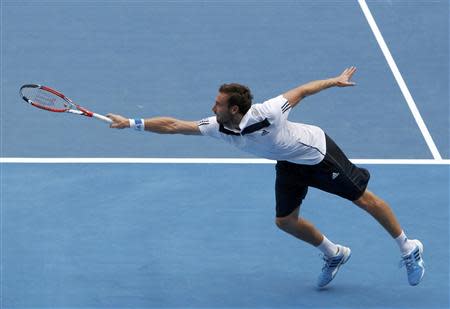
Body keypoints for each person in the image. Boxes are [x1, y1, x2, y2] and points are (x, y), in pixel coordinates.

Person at [107, 67, 425, 287]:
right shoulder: (217, 126)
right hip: (287, 162)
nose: (211, 106)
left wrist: (334, 81)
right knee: (285, 221)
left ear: (234, 109)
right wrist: (131, 122)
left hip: (316, 153)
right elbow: (175, 125)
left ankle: (408, 247)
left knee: (363, 199)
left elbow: (301, 91)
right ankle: (334, 253)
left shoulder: (268, 112)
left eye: (218, 103)